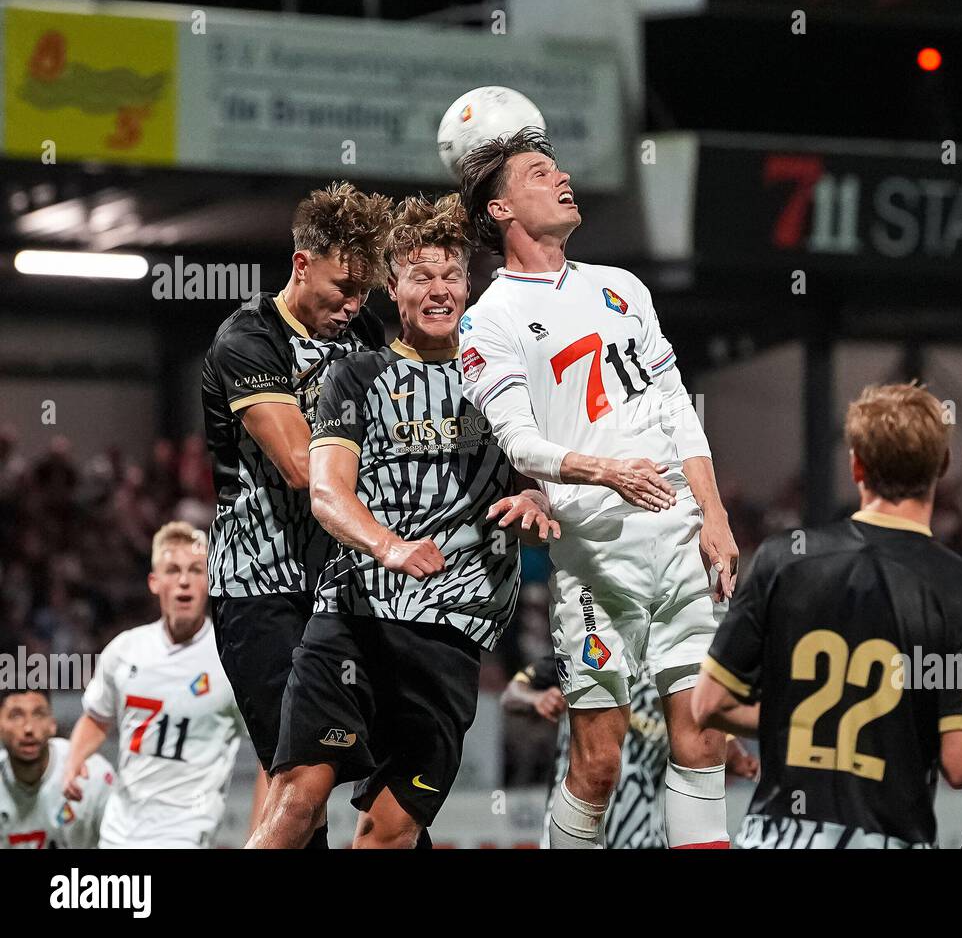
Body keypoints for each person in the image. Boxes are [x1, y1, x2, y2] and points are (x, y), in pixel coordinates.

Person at [248, 194, 558, 849]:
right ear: (393, 288)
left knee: (384, 829)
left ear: (469, 286)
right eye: (421, 275)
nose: (439, 289)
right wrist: (387, 546)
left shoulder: (506, 377)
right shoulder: (354, 377)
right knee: (296, 799)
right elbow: (327, 493)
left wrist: (538, 504)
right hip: (351, 619)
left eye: (451, 275)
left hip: (447, 633)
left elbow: (544, 478)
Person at [458, 128, 737, 849]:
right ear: (500, 211)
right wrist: (607, 471)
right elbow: (519, 442)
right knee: (600, 760)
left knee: (700, 738)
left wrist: (715, 514)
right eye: (540, 172)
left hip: (679, 540)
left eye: (559, 168)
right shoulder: (490, 320)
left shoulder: (622, 287)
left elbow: (677, 406)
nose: (564, 178)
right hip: (595, 557)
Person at [693, 383, 962, 848]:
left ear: (856, 464)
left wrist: (803, 720)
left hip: (778, 837)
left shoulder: (784, 560)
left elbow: (709, 704)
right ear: (942, 465)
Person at [201, 182, 391, 847]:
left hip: (340, 591)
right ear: (301, 262)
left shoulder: (365, 331)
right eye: (342, 285)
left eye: (366, 289)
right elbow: (301, 466)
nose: (354, 303)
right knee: (304, 777)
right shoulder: (247, 339)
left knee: (347, 788)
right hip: (261, 591)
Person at [63, 522, 241, 848]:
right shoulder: (124, 649)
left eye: (195, 570)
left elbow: (270, 755)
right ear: (154, 582)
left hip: (187, 832)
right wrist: (73, 763)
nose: (184, 580)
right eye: (173, 570)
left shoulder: (232, 657)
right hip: (118, 832)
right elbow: (96, 718)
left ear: (210, 580)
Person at [505, 660, 758, 849]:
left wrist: (742, 761)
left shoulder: (670, 657)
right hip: (578, 827)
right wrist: (536, 698)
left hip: (643, 835)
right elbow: (511, 695)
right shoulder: (591, 646)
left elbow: (713, 733)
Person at [0, 689, 114, 849]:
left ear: (52, 724)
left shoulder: (93, 776)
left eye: (38, 714)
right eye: (16, 715)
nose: (28, 728)